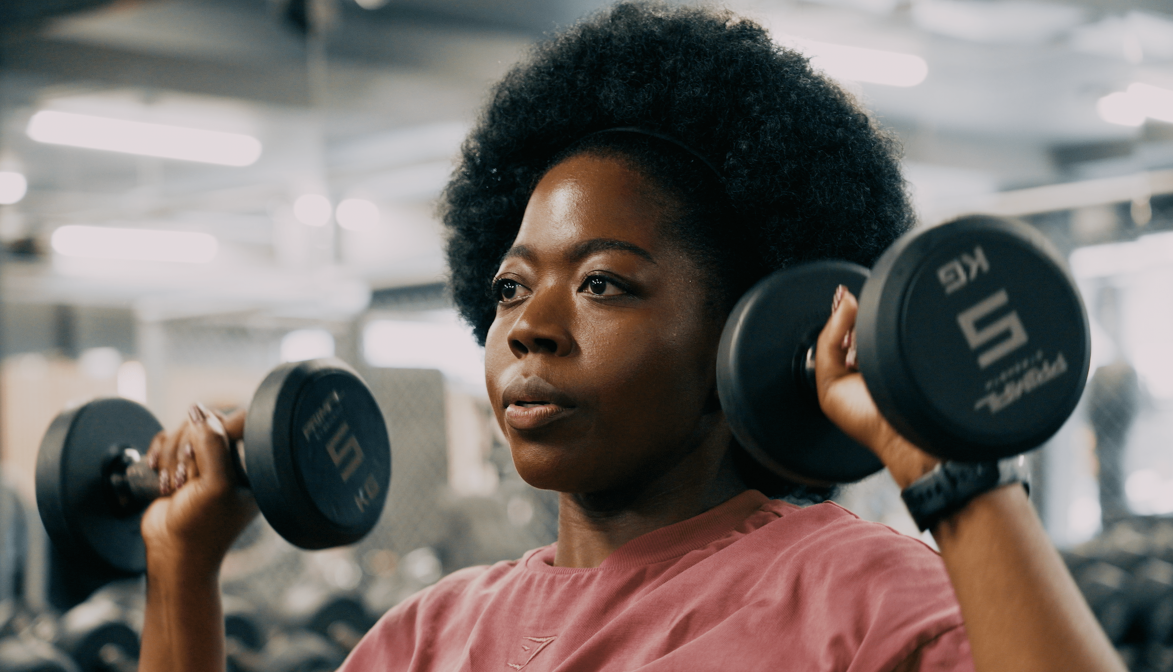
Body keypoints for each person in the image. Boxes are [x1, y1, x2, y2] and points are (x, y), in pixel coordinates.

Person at [136, 4, 1123, 671]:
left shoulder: (862, 598)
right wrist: (183, 571)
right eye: (511, 287)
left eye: (603, 283)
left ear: (752, 328)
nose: (529, 328)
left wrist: (954, 479)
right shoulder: (431, 637)